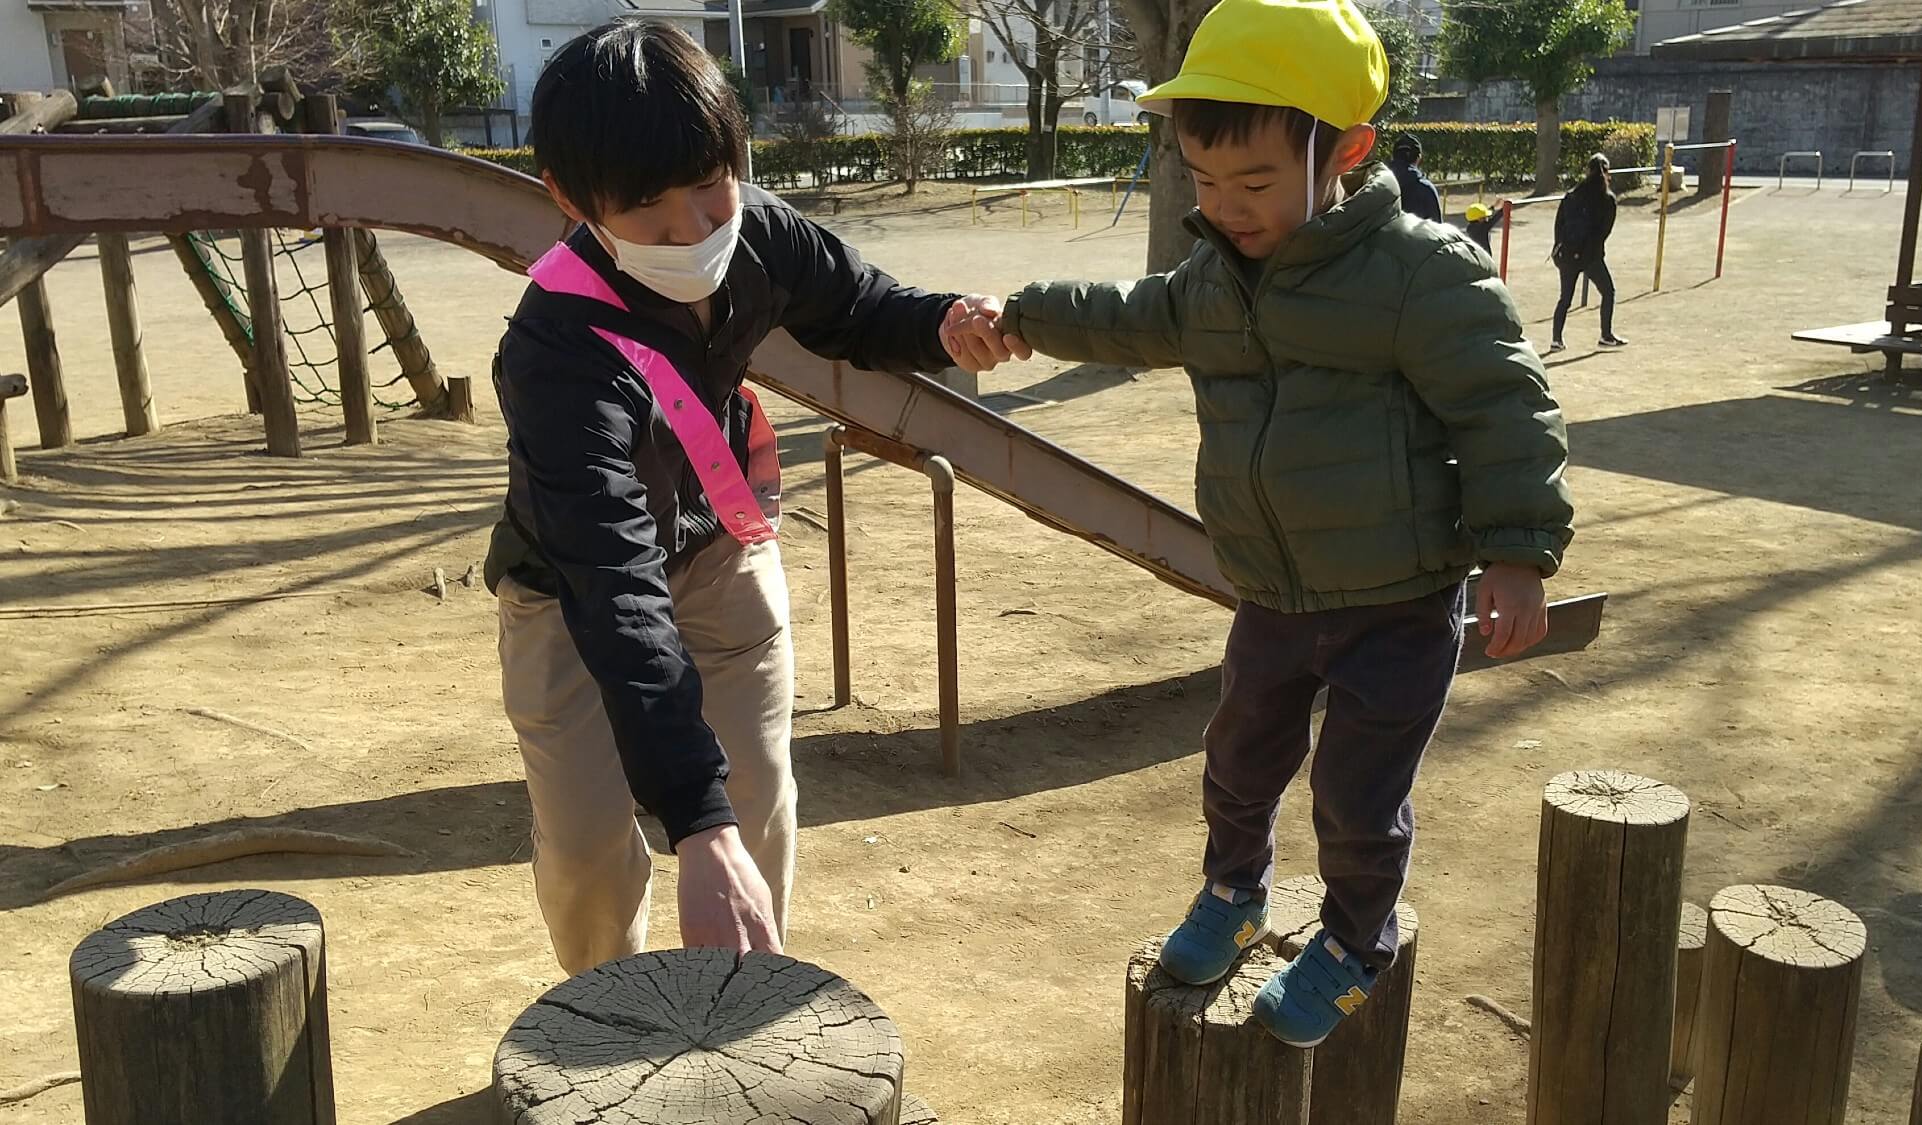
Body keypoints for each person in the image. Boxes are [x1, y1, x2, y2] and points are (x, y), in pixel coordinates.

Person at [994, 0, 1573, 1049]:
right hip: (1272, 592)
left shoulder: (1419, 272)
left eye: (1254, 183)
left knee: (1356, 792)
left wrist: (1517, 554)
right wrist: (1023, 316)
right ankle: (1234, 891)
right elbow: (1129, 316)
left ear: (1344, 151)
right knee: (1236, 758)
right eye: (1203, 181)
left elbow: (1505, 406)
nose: (1225, 207)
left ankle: (1354, 941)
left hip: (1397, 600)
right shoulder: (1214, 280)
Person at [487, 19, 1021, 975]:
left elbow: (857, 308)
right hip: (572, 595)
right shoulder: (554, 351)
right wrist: (694, 820)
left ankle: (746, 1009)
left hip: (721, 548)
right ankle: (610, 1015)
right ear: (570, 198)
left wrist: (942, 324)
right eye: (647, 208)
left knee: (758, 807)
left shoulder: (755, 235)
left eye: (709, 184)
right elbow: (614, 584)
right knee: (587, 857)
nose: (693, 229)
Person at [1549, 153, 1625, 351]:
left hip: (1568, 253)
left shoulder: (1572, 195)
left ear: (1587, 171)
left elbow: (1559, 224)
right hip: (1590, 255)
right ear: (1606, 173)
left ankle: (1556, 339)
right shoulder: (1607, 199)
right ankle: (1605, 335)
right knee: (1608, 291)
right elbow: (1604, 232)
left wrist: (1560, 246)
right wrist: (1592, 250)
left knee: (1565, 298)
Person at [1388, 134, 1442, 222]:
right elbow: (1437, 226)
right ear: (1418, 158)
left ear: (1393, 156)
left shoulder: (1378, 183)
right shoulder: (1426, 189)